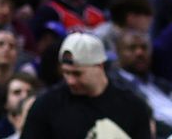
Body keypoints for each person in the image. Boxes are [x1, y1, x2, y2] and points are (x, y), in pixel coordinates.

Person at [21, 32, 151, 139]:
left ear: (99, 66)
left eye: (77, 74)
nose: (70, 81)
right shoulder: (47, 105)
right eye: (66, 73)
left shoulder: (132, 107)